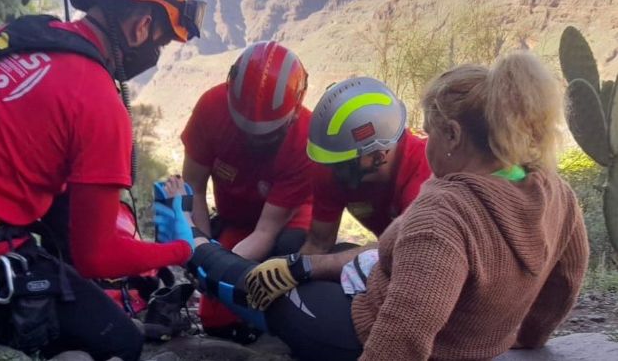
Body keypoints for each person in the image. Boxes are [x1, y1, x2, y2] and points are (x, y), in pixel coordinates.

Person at [157, 52, 589, 360]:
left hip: (364, 332)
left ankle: (192, 247)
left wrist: (299, 273)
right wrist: (529, 337)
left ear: (454, 136)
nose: (424, 140)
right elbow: (565, 281)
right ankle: (200, 251)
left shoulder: (444, 209)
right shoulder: (557, 192)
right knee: (296, 269)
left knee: (263, 292)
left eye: (432, 131)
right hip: (435, 321)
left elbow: (406, 331)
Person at [0, 0, 205, 360]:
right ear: (142, 27)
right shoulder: (99, 102)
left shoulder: (20, 35)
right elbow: (98, 258)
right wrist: (179, 250)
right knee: (121, 341)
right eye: (162, 40)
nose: (156, 51)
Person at [180, 40, 313, 340]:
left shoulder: (305, 139)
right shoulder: (212, 107)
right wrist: (203, 249)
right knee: (216, 317)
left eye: (266, 135)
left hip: (287, 220)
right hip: (236, 218)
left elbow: (267, 231)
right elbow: (195, 189)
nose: (253, 141)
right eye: (244, 130)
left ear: (293, 113)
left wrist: (219, 266)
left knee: (284, 254)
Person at [301, 77, 431, 254]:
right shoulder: (329, 166)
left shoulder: (425, 176)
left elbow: (408, 253)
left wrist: (310, 268)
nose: (332, 170)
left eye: (342, 164)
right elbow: (318, 244)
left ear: (377, 155)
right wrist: (290, 272)